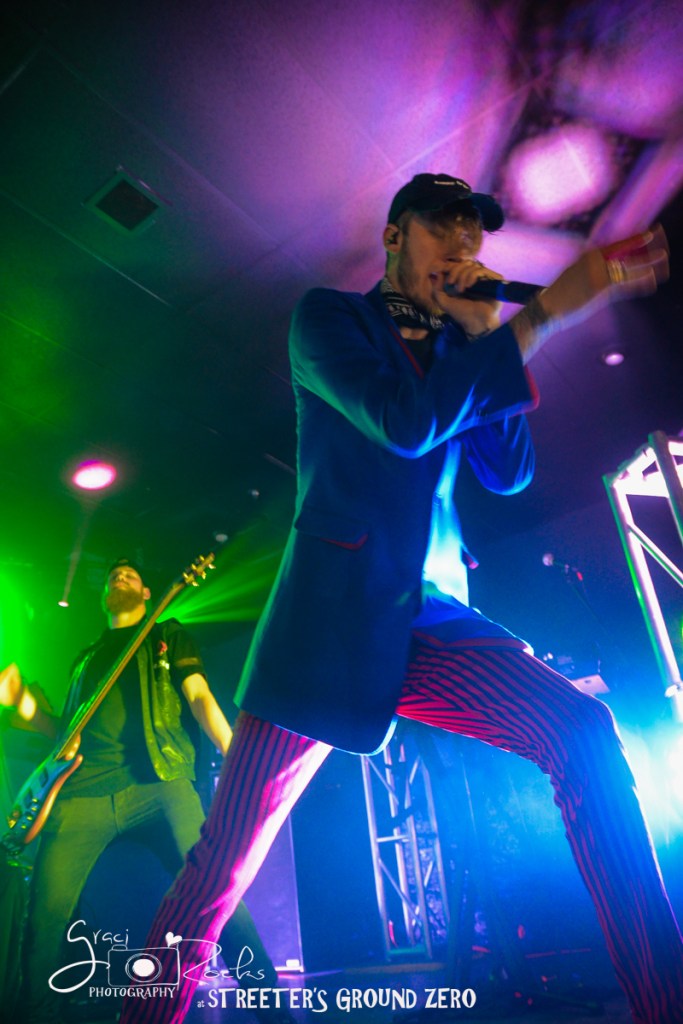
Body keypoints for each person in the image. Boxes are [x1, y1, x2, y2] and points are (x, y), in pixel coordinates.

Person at [120, 174, 682, 1024]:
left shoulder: (461, 346)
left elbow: (508, 471)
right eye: (442, 230)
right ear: (394, 236)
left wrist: (485, 332)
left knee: (582, 732)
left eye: (472, 238)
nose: (461, 250)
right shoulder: (327, 320)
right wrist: (538, 317)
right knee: (218, 871)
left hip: (428, 615)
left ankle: (664, 1001)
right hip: (330, 627)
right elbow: (403, 421)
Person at [0, 557, 295, 1024]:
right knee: (42, 923)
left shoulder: (167, 634)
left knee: (217, 893)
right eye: (113, 575)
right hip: (82, 795)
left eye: (131, 574)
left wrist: (239, 759)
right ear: (104, 598)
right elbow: (65, 735)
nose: (120, 575)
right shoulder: (85, 659)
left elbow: (198, 696)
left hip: (159, 784)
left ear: (145, 594)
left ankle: (275, 1013)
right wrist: (24, 704)